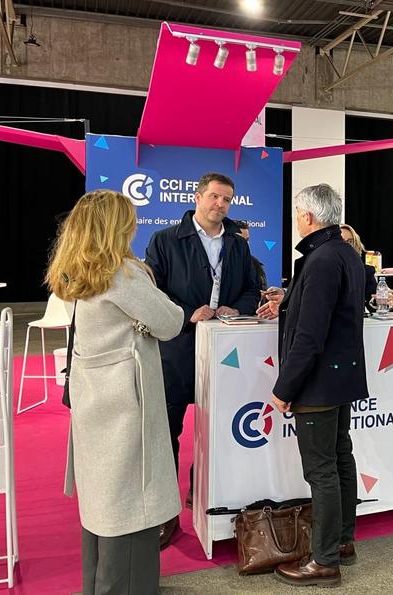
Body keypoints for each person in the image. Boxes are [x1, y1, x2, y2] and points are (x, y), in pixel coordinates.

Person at [48, 190, 185, 594]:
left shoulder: (76, 270)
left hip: (95, 401)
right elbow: (171, 321)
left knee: (102, 514)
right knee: (130, 514)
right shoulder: (121, 274)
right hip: (126, 409)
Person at [257, 184, 367, 588]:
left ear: (307, 216)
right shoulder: (345, 253)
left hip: (319, 381)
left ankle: (324, 560)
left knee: (322, 469)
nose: (296, 220)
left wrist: (284, 387)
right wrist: (289, 301)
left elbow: (309, 336)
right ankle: (341, 542)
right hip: (340, 376)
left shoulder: (321, 258)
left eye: (297, 214)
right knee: (339, 458)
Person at [144, 172, 261, 547]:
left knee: (220, 428)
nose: (220, 204)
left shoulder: (237, 244)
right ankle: (164, 514)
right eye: (214, 197)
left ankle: (203, 489)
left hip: (226, 352)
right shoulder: (165, 240)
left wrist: (236, 308)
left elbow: (252, 288)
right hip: (177, 349)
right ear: (197, 197)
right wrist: (185, 313)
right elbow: (152, 292)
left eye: (226, 199)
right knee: (167, 431)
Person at [340, 223, 378, 309]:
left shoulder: (366, 271)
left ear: (356, 245)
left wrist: (379, 301)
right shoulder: (325, 270)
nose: (346, 245)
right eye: (341, 241)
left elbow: (372, 303)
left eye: (350, 241)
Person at [235, 220, 268, 291]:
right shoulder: (217, 263)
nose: (246, 244)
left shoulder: (255, 264)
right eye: (241, 240)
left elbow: (262, 290)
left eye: (247, 240)